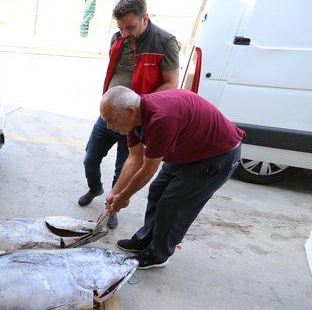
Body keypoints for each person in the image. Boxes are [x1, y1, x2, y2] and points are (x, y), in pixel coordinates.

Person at [102, 86, 244, 269]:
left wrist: (124, 197)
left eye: (110, 120)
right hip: (187, 149)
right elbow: (134, 159)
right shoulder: (134, 116)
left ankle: (158, 255)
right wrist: (115, 193)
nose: (108, 126)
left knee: (172, 205)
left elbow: (148, 168)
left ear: (129, 112)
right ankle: (145, 240)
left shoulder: (162, 118)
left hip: (216, 155)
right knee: (156, 191)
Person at [79, 0, 179, 230]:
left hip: (134, 117)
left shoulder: (165, 42)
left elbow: (171, 84)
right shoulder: (118, 37)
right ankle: (95, 188)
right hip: (111, 112)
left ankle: (111, 208)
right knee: (90, 158)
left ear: (145, 18)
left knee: (124, 166)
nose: (125, 33)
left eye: (130, 27)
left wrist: (137, 108)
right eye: (121, 28)